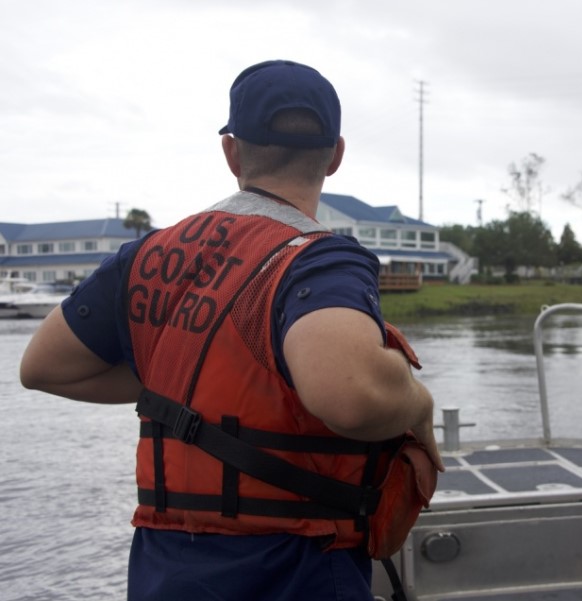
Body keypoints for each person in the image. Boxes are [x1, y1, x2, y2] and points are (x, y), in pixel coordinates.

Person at [20, 59, 443, 601]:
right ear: (335, 156)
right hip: (292, 570)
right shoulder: (319, 260)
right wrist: (417, 402)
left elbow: (43, 368)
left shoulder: (146, 254)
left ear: (231, 152)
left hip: (163, 571)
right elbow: (351, 397)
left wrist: (179, 376)